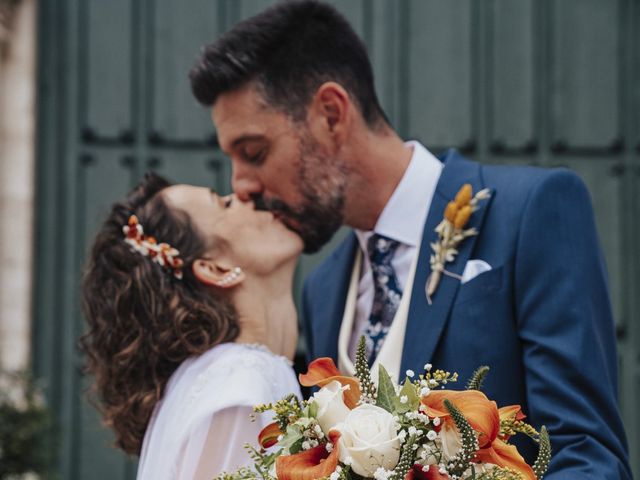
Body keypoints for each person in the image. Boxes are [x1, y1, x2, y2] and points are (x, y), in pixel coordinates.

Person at [188, 0, 632, 477]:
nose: (240, 185)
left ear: (332, 114)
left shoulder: (530, 210)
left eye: (254, 151)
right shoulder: (323, 292)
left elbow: (586, 454)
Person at [80, 172, 303, 479]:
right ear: (214, 268)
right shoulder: (238, 392)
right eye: (224, 204)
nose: (246, 195)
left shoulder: (227, 376)